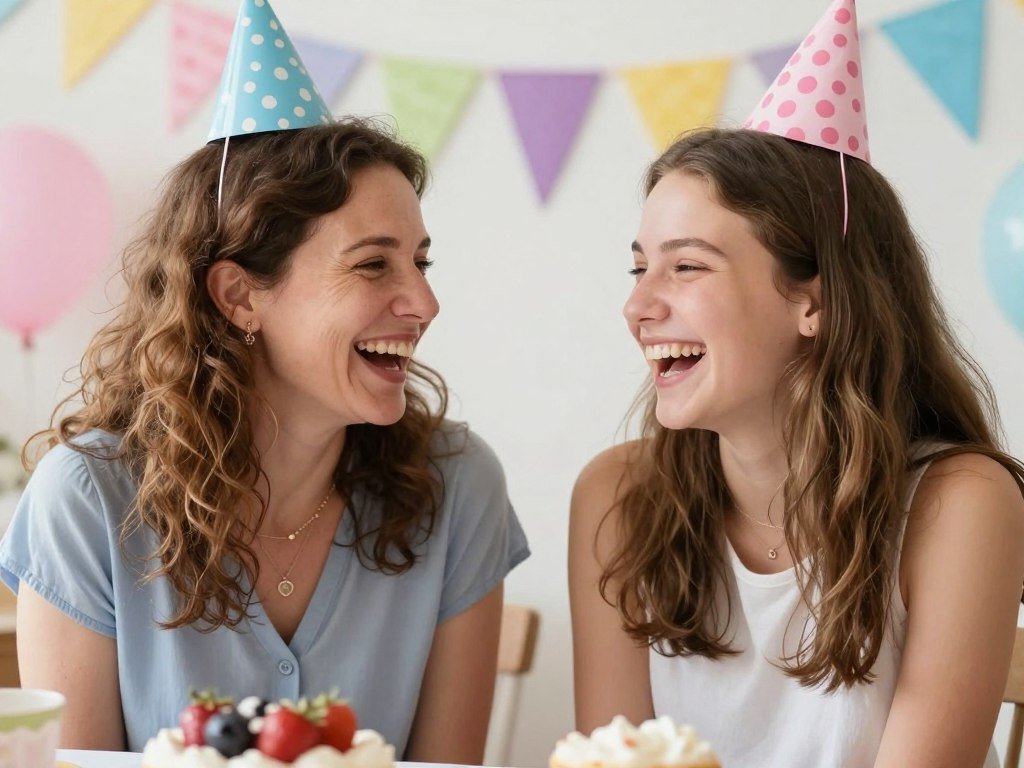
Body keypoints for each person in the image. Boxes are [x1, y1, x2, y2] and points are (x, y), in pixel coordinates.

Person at [0, 1, 528, 760]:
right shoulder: (87, 501)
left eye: (421, 262)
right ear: (240, 295)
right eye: (374, 264)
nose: (424, 302)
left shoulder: (457, 487)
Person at [569, 5, 1024, 766]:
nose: (638, 306)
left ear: (815, 301)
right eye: (639, 267)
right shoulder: (617, 498)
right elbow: (609, 757)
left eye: (687, 266)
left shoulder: (958, 507)